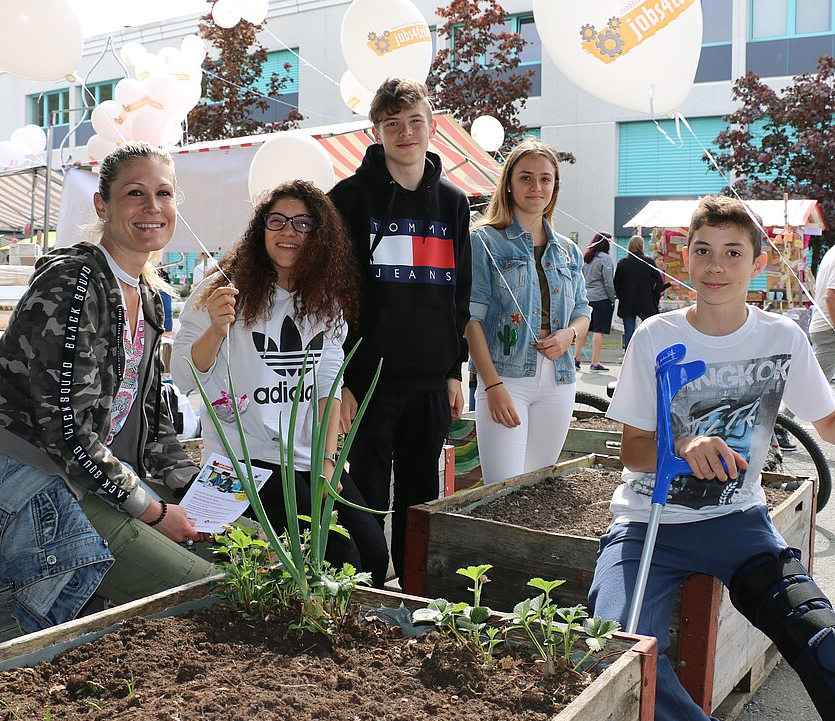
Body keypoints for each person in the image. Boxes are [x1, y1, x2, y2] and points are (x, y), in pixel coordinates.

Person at [589, 195, 835, 721]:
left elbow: (827, 423)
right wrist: (684, 446)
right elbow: (633, 449)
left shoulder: (784, 338)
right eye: (703, 251)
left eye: (732, 253)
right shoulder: (654, 336)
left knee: (820, 640)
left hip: (739, 525)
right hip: (649, 522)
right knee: (612, 651)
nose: (716, 266)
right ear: (686, 260)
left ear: (758, 264)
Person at [0, 141, 213, 634]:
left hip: (93, 476)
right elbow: (65, 431)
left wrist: (198, 495)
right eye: (135, 193)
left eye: (164, 193)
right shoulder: (73, 284)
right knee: (208, 591)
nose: (152, 207)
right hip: (38, 480)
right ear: (103, 205)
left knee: (245, 548)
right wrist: (155, 509)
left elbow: (155, 425)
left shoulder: (147, 295)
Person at [171, 180, 389, 587]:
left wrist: (328, 463)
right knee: (340, 556)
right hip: (246, 462)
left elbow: (328, 384)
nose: (288, 231)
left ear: (320, 237)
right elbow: (184, 375)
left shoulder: (323, 299)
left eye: (303, 224)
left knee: (374, 554)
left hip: (307, 458)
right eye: (277, 221)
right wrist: (216, 330)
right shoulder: (223, 289)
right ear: (261, 229)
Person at [328, 78, 471, 586]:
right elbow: (331, 295)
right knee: (363, 493)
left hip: (430, 381)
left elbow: (458, 295)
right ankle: (360, 590)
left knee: (419, 497)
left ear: (432, 127)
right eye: (393, 123)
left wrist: (454, 370)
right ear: (377, 130)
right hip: (366, 382)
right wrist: (338, 380)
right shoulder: (348, 198)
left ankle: (410, 591)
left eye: (414, 121)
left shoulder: (454, 204)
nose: (405, 132)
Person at [466, 139, 590, 484]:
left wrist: (569, 334)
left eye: (545, 179)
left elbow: (583, 311)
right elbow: (470, 319)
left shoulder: (568, 250)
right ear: (508, 183)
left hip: (560, 381)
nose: (536, 187)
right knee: (502, 490)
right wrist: (491, 386)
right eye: (525, 178)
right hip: (506, 379)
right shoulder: (484, 241)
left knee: (536, 489)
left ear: (555, 186)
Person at [613, 234, 665, 351]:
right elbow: (660, 281)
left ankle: (629, 356)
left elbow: (616, 284)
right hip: (646, 302)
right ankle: (651, 353)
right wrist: (654, 296)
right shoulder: (648, 261)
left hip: (628, 302)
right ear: (642, 246)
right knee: (650, 329)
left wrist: (622, 296)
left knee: (629, 333)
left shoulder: (623, 263)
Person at [574, 232, 615, 371]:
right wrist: (612, 298)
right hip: (601, 298)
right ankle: (595, 362)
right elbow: (608, 282)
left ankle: (576, 357)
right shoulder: (605, 259)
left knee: (585, 329)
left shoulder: (587, 257)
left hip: (587, 297)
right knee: (599, 330)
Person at [809, 243, 835, 383]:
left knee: (816, 386)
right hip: (829, 330)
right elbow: (831, 297)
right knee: (815, 386)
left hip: (826, 328)